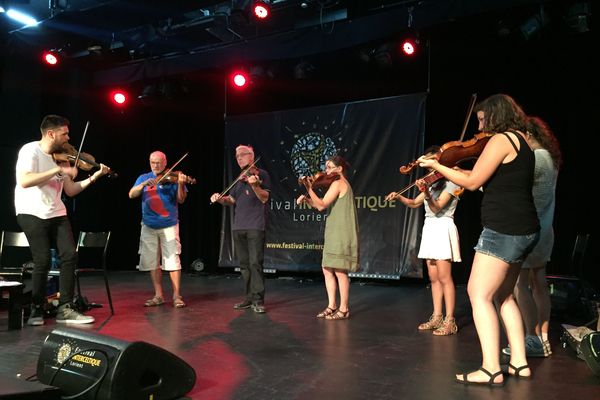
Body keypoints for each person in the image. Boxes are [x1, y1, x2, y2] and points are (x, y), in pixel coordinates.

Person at [418, 94, 540, 386]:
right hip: (525, 228)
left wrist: (438, 167)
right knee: (504, 296)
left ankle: (490, 368)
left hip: (503, 228)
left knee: (478, 293)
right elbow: (488, 181)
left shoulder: (499, 140)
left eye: (482, 119)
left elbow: (472, 184)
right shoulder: (523, 142)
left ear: (495, 116)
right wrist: (456, 170)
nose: (480, 126)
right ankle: (520, 363)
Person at [15, 114, 110, 325]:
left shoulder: (63, 157)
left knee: (70, 255)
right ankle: (36, 309)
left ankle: (65, 308)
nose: (68, 138)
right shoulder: (31, 151)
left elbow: (71, 189)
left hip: (57, 211)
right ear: (51, 133)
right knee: (43, 260)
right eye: (64, 133)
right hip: (30, 211)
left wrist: (93, 176)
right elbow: (24, 180)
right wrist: (57, 169)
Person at [503, 116, 562, 358]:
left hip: (530, 228)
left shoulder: (536, 158)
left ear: (528, 134)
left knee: (520, 285)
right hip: (546, 229)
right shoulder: (551, 159)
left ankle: (531, 337)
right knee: (539, 283)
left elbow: (515, 185)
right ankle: (544, 337)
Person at [385, 157, 462, 335]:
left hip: (443, 226)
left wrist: (426, 192)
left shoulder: (452, 183)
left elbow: (437, 208)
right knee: (434, 278)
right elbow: (414, 203)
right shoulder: (433, 184)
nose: (430, 169)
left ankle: (450, 320)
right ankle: (437, 316)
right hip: (430, 228)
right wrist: (399, 197)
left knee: (444, 277)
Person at [296, 155, 359, 320]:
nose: (327, 171)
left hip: (342, 230)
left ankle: (344, 308)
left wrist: (309, 188)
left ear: (339, 169)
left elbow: (322, 205)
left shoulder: (339, 183)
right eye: (326, 167)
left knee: (339, 270)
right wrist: (308, 200)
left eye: (330, 167)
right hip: (333, 230)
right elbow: (319, 206)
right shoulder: (334, 184)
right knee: (327, 268)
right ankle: (332, 305)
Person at [210, 145, 271, 313]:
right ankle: (249, 298)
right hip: (239, 226)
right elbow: (232, 199)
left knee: (255, 263)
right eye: (237, 156)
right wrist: (220, 199)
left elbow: (265, 198)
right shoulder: (239, 178)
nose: (239, 158)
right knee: (244, 265)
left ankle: (258, 300)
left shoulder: (261, 174)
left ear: (251, 156)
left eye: (242, 155)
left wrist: (255, 186)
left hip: (255, 226)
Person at [129, 151, 189, 308]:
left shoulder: (173, 178)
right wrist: (142, 185)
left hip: (169, 224)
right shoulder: (144, 177)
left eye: (158, 162)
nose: (155, 166)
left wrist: (181, 183)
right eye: (152, 162)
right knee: (152, 262)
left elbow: (181, 199)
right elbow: (131, 194)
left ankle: (177, 295)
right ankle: (158, 295)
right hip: (148, 225)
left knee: (172, 261)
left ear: (165, 162)